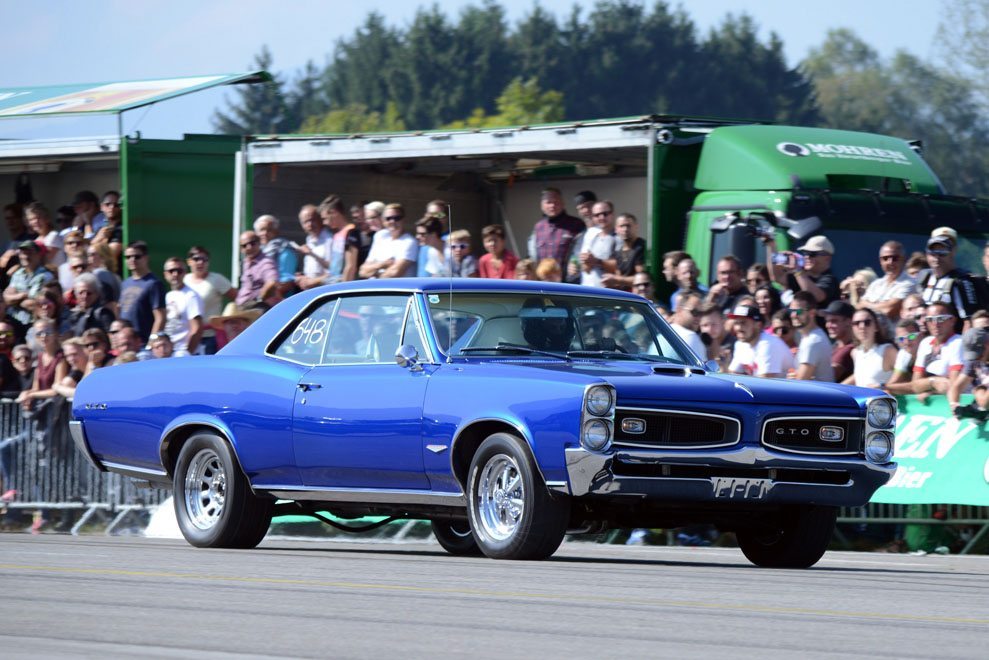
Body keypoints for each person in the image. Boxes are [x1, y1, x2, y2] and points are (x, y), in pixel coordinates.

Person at [915, 226, 984, 331]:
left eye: (943, 250)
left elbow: (969, 321)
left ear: (954, 250)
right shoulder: (924, 277)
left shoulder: (961, 281)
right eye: (933, 250)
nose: (937, 256)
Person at [184, 246, 234, 355]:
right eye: (196, 259)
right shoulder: (184, 280)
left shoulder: (217, 279)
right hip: (186, 338)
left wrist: (226, 320)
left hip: (209, 338)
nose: (200, 262)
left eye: (204, 259)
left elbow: (238, 298)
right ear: (189, 261)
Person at [768, 234, 839, 307]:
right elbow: (777, 277)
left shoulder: (830, 280)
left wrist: (797, 270)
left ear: (827, 258)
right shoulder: (801, 275)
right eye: (805, 253)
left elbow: (815, 296)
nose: (807, 257)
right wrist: (771, 245)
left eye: (812, 254)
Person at [912, 302, 964, 400]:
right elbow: (915, 385)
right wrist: (933, 382)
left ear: (952, 320)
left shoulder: (959, 342)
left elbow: (953, 385)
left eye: (940, 319)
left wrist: (930, 391)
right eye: (930, 319)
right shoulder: (925, 343)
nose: (935, 324)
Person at [118, 241, 167, 344]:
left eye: (137, 256)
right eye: (128, 257)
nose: (132, 260)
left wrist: (151, 343)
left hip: (143, 343)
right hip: (125, 344)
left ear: (146, 258)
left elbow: (160, 317)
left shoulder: (154, 284)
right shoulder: (125, 283)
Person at [726, 303, 793, 378]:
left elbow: (764, 382)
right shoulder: (741, 344)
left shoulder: (769, 344)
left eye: (743, 323)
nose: (738, 328)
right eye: (736, 323)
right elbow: (732, 376)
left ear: (758, 325)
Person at [526, 188, 584, 273]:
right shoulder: (538, 227)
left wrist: (575, 262)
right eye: (548, 202)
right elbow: (532, 255)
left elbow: (584, 249)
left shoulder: (576, 224)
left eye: (556, 202)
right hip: (543, 279)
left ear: (563, 204)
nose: (552, 205)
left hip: (568, 279)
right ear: (542, 206)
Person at [4, 240, 55, 336]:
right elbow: (6, 298)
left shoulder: (46, 276)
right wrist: (22, 295)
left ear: (38, 255)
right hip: (13, 321)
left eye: (30, 253)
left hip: (32, 324)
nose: (25, 256)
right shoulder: (17, 274)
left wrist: (14, 300)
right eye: (23, 253)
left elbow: (34, 304)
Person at [856, 241, 915, 322]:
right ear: (880, 261)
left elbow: (888, 310)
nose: (890, 262)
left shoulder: (910, 284)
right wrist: (881, 306)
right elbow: (859, 307)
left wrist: (867, 305)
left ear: (904, 260)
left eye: (895, 258)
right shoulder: (875, 284)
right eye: (885, 258)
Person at [359, 203, 417, 278]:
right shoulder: (380, 236)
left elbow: (394, 273)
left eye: (397, 218)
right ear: (383, 221)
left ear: (403, 220)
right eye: (388, 218)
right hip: (375, 284)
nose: (392, 221)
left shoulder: (409, 242)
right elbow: (362, 271)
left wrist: (373, 272)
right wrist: (383, 265)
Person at [788, 291, 835, 382]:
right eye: (791, 311)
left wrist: (796, 376)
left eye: (799, 311)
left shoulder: (812, 341)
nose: (793, 315)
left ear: (812, 313)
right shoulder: (810, 337)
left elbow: (800, 383)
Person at [162, 257, 204, 356]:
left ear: (185, 273)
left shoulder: (191, 296)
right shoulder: (168, 295)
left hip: (182, 352)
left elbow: (197, 328)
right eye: (171, 271)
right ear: (165, 274)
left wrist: (187, 353)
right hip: (168, 352)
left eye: (179, 271)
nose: (175, 274)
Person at [846, 308, 897, 387]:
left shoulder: (888, 350)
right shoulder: (855, 353)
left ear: (876, 327)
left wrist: (884, 386)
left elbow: (906, 377)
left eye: (867, 322)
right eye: (856, 323)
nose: (862, 326)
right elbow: (862, 377)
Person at [253, 215, 296, 299]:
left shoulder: (285, 250)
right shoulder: (255, 253)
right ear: (256, 233)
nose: (265, 233)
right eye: (262, 230)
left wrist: (261, 298)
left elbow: (286, 283)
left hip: (279, 301)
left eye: (269, 230)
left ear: (276, 232)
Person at [948, 327, 989, 414]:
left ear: (987, 344)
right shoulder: (974, 361)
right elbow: (955, 387)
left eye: (979, 354)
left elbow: (984, 402)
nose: (976, 359)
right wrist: (954, 406)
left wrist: (978, 389)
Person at [320, 196, 360, 283]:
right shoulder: (336, 235)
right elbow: (333, 265)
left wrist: (343, 288)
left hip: (341, 284)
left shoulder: (351, 231)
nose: (324, 222)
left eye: (325, 218)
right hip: (332, 282)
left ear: (334, 212)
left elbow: (350, 265)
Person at [601, 212, 646, 291]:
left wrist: (616, 279)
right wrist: (610, 283)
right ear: (616, 229)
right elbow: (619, 279)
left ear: (636, 227)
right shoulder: (618, 252)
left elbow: (642, 280)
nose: (625, 229)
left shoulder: (642, 247)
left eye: (628, 226)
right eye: (622, 226)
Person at [294, 204, 332, 290]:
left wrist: (312, 282)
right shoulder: (309, 239)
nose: (310, 224)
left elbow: (335, 272)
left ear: (320, 219)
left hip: (327, 291)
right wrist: (303, 277)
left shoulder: (330, 239)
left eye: (312, 220)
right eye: (305, 222)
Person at [235, 231, 278, 306]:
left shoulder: (265, 262)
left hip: (256, 308)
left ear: (259, 242)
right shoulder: (246, 262)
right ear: (241, 249)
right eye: (244, 245)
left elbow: (272, 283)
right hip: (243, 306)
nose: (249, 247)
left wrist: (259, 300)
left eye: (252, 243)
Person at [885, 320, 923, 395]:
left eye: (911, 336)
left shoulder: (929, 350)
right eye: (901, 339)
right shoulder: (903, 353)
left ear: (921, 336)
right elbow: (893, 382)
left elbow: (916, 387)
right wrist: (886, 388)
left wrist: (883, 386)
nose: (906, 342)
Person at [23, 202, 65, 268]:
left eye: (38, 218)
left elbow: (43, 261)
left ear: (47, 219)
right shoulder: (36, 240)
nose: (35, 221)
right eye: (31, 219)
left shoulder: (54, 236)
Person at [823, 300, 856, 383]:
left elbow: (826, 377)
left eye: (834, 321)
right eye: (827, 321)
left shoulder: (851, 348)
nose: (828, 325)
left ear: (848, 322)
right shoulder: (835, 346)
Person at [698, 303, 733, 371]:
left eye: (714, 324)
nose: (709, 329)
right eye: (705, 325)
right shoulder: (699, 342)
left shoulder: (734, 345)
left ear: (722, 322)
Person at [670, 292, 706, 358]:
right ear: (679, 310)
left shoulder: (663, 333)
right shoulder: (691, 337)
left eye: (701, 313)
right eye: (694, 312)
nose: (699, 317)